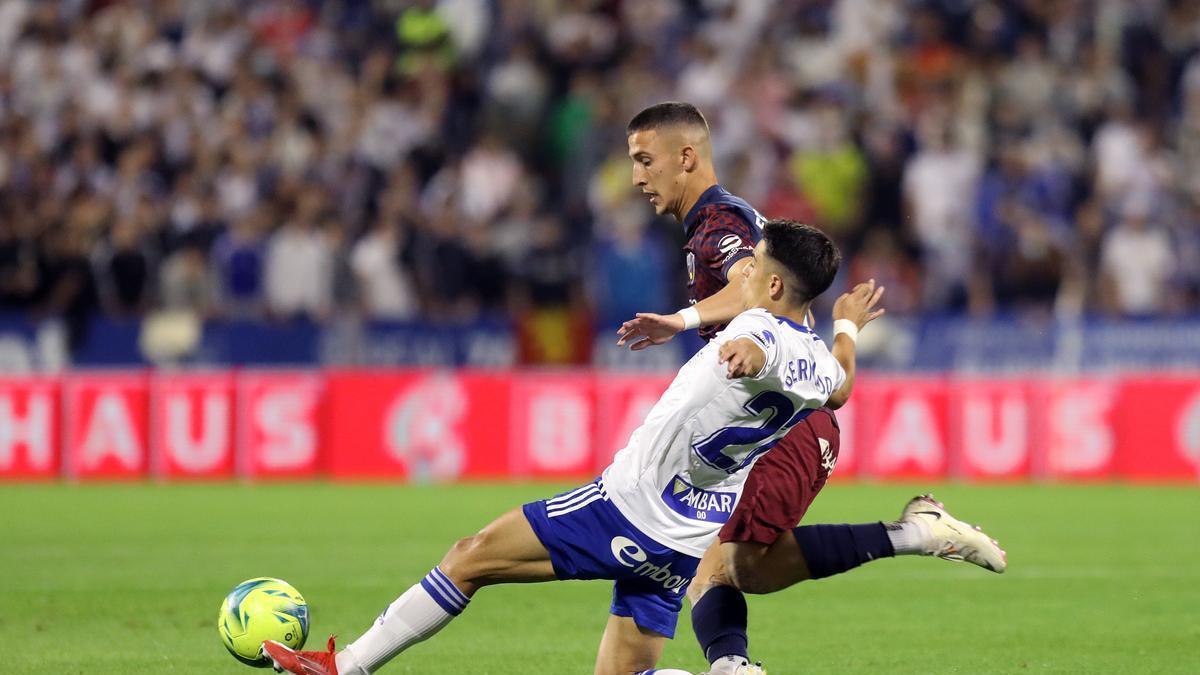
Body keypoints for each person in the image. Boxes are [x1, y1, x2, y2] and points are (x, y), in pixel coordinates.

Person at [262, 219, 879, 675]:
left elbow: (755, 345)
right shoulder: (818, 362)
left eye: (752, 265)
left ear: (772, 283)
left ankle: (345, 669)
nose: (740, 271)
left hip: (630, 509)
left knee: (470, 557)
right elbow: (843, 387)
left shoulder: (755, 330)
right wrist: (847, 321)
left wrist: (744, 352)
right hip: (689, 535)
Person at [616, 102, 1005, 675]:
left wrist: (682, 319)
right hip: (776, 418)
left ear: (687, 157)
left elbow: (745, 282)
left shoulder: (719, 224)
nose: (636, 178)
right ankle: (733, 666)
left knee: (736, 565)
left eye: (645, 161)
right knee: (724, 563)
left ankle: (912, 535)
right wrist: (844, 328)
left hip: (781, 423)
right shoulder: (716, 222)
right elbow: (826, 370)